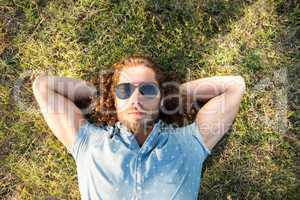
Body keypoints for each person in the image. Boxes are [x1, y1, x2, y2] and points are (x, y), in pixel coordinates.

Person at [32, 55, 246, 200]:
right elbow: (44, 87)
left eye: (148, 90)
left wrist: (174, 94)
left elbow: (234, 87)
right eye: (124, 90)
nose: (136, 99)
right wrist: (99, 95)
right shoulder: (89, 144)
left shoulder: (188, 144)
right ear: (113, 100)